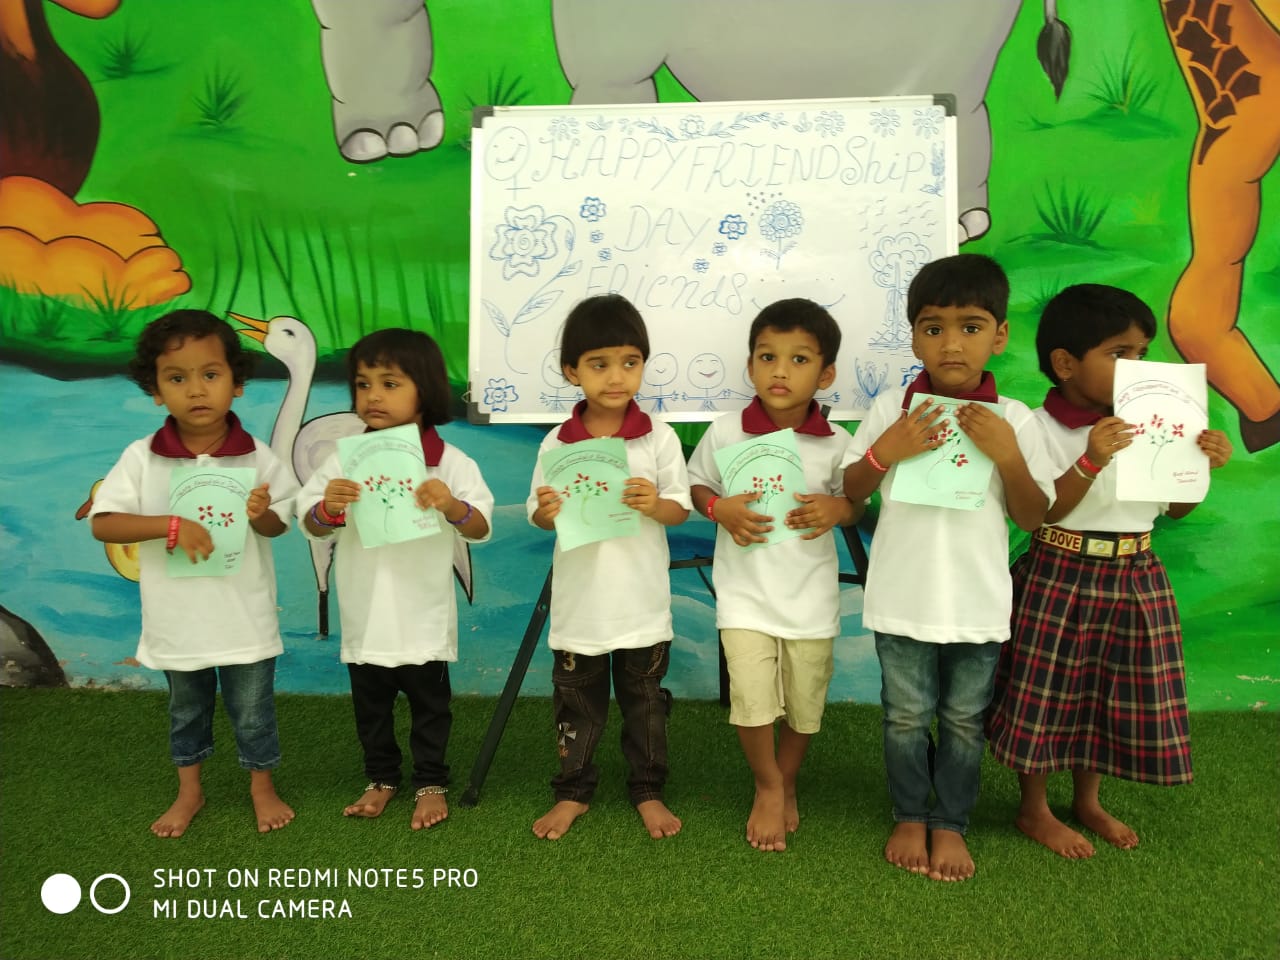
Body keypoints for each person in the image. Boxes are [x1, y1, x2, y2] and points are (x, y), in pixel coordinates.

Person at [987, 283, 1233, 858]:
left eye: (1141, 354)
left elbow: (1174, 510)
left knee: (1106, 691)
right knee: (1045, 693)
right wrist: (1092, 457)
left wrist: (1199, 467)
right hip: (1059, 569)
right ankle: (1034, 807)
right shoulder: (1042, 427)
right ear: (1066, 364)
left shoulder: (1157, 424)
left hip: (1136, 573)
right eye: (1118, 354)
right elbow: (1043, 510)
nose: (1136, 368)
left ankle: (1088, 800)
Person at [842, 253, 1055, 881]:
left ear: (1000, 335)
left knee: (964, 719)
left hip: (977, 603)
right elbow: (852, 490)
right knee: (905, 715)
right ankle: (911, 812)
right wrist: (889, 449)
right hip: (903, 597)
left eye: (971, 326)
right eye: (933, 328)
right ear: (913, 336)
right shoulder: (891, 409)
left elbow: (1034, 516)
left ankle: (951, 822)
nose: (951, 343)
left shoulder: (1014, 419)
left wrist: (1008, 455)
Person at [90, 309, 298, 838]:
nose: (196, 390)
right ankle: (190, 791)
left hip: (244, 620)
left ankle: (262, 788)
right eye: (176, 378)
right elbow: (105, 524)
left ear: (238, 383)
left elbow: (279, 526)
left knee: (253, 714)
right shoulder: (142, 458)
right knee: (187, 711)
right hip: (177, 623)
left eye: (210, 374)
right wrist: (169, 523)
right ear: (156, 390)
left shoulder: (258, 457)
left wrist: (261, 514)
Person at [297, 328, 493, 830]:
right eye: (363, 385)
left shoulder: (450, 462)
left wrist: (451, 504)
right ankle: (381, 778)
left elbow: (480, 527)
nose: (373, 396)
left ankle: (431, 782)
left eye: (390, 383)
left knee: (431, 706)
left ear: (425, 390)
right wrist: (328, 507)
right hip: (364, 610)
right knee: (371, 706)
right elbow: (310, 522)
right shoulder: (342, 460)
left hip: (423, 612)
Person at [687, 298, 862, 853]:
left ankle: (788, 777)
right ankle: (767, 784)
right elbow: (698, 487)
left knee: (806, 698)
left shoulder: (837, 443)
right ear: (750, 366)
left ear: (826, 372)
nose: (780, 371)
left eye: (798, 359)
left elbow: (851, 502)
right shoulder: (724, 431)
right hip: (744, 594)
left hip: (810, 595)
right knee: (752, 696)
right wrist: (719, 510)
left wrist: (838, 510)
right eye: (767, 357)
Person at [527, 294, 691, 841]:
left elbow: (679, 508)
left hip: (641, 605)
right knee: (577, 705)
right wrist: (547, 513)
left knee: (645, 704)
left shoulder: (658, 437)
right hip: (580, 609)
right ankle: (573, 791)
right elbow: (538, 514)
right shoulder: (556, 441)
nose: (616, 377)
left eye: (629, 362)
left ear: (643, 364)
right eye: (599, 364)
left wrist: (654, 504)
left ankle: (648, 788)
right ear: (572, 370)